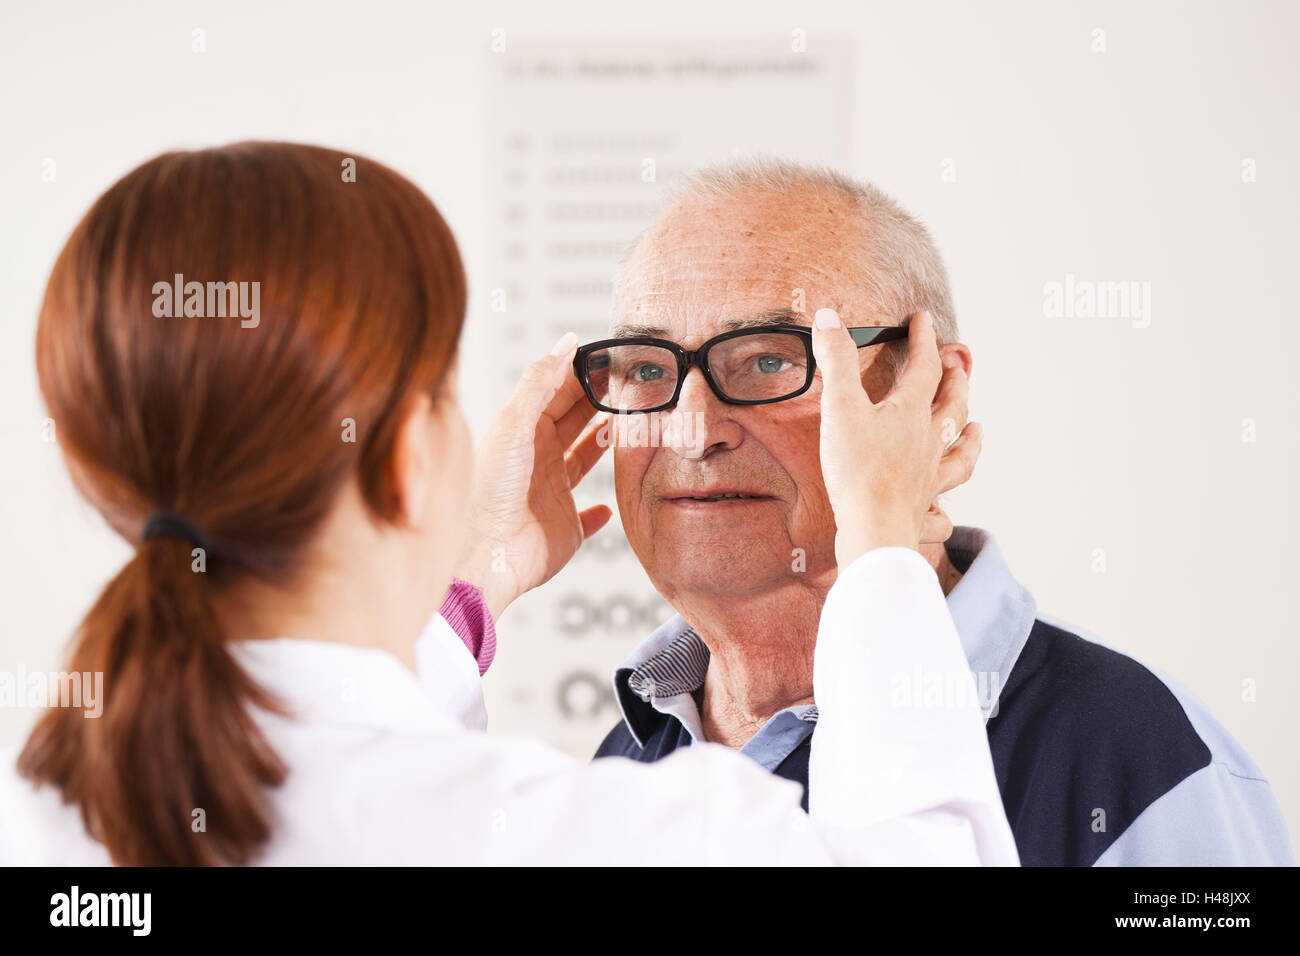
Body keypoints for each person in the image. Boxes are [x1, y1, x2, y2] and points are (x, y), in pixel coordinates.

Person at [0, 142, 1016, 866]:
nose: (693, 427)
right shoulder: (564, 824)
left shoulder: (47, 802)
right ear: (406, 455)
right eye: (444, 386)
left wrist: (477, 575)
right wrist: (884, 546)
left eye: (768, 360)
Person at [535, 157, 1290, 866]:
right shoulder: (632, 753)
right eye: (644, 368)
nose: (693, 432)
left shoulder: (1136, 755)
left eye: (770, 360)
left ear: (933, 395)